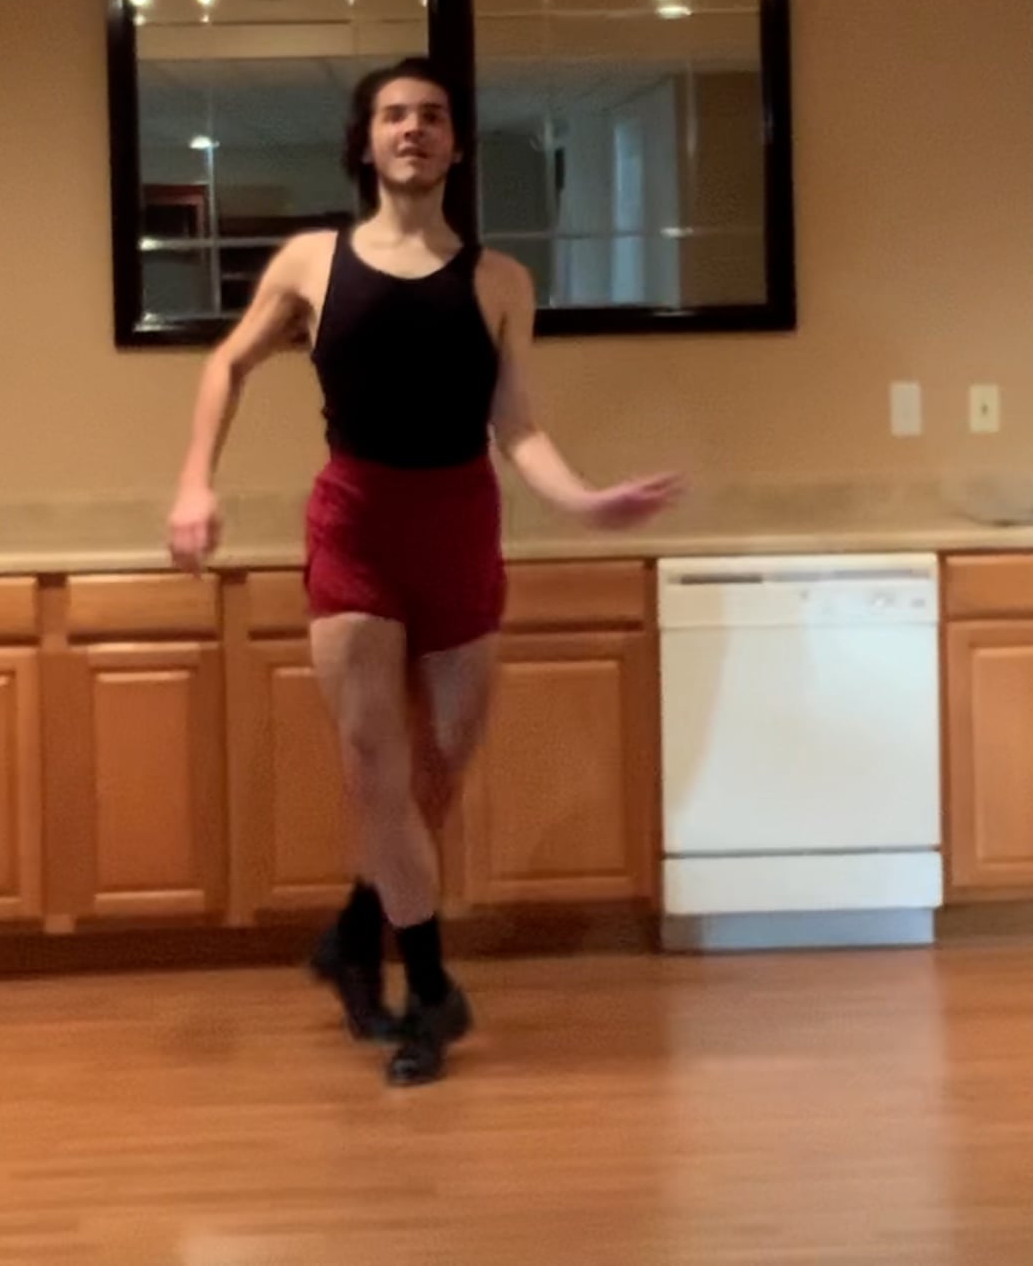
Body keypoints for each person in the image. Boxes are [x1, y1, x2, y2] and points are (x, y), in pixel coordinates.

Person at [166, 57, 683, 1086]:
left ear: (455, 144)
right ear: (366, 143)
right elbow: (228, 361)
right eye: (395, 114)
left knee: (434, 772)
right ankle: (431, 993)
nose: (414, 128)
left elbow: (517, 425)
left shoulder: (500, 281)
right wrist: (194, 483)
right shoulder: (312, 261)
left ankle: (358, 932)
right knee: (375, 767)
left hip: (459, 526)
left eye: (433, 116)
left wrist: (585, 501)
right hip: (357, 524)